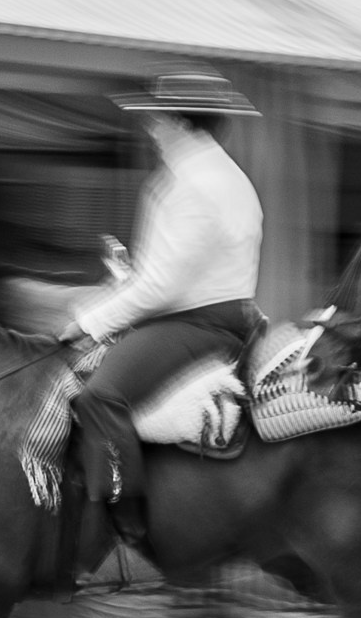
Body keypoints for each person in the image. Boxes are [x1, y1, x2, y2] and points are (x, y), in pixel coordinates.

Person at [64, 70, 264, 547]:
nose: (150, 128)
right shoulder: (218, 175)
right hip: (208, 311)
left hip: (196, 322)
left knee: (101, 398)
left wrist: (87, 322)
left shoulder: (191, 183)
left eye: (155, 118)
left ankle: (123, 516)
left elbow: (160, 287)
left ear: (177, 121)